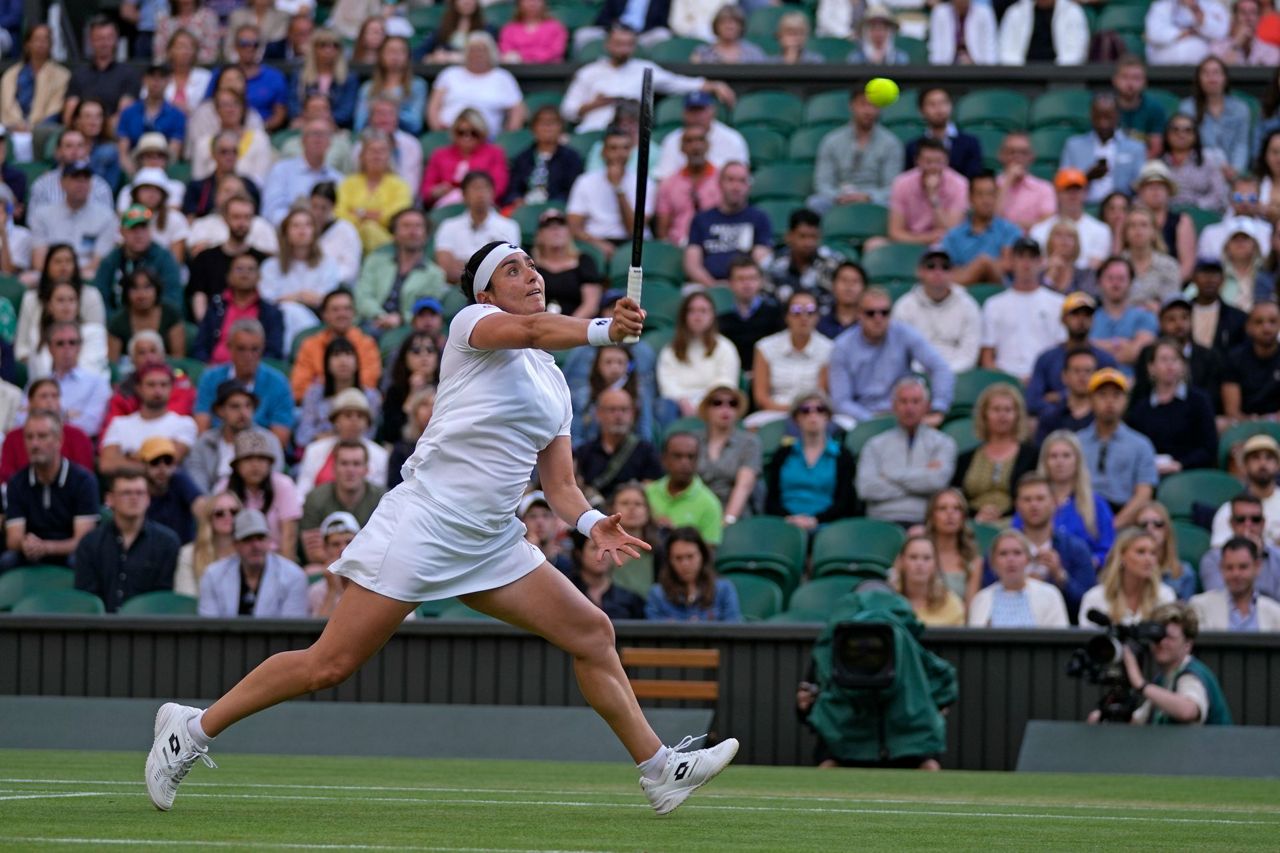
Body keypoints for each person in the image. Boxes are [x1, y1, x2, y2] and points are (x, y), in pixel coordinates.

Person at [146, 239, 737, 816]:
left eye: (532, 264)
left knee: (592, 632)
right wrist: (606, 330)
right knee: (329, 664)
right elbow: (532, 330)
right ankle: (191, 729)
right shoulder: (471, 327)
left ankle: (659, 770)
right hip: (424, 524)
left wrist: (588, 523)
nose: (530, 273)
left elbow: (558, 484)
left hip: (492, 540)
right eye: (513, 268)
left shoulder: (554, 380)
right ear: (485, 291)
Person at [561, 24, 734, 134]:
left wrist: (713, 85)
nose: (624, 49)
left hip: (632, 136)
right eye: (619, 44)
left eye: (628, 44)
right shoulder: (588, 72)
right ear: (608, 44)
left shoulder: (644, 69)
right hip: (594, 132)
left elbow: (677, 83)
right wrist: (595, 104)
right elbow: (567, 111)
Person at [831, 286, 954, 423]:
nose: (878, 318)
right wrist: (871, 419)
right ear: (859, 314)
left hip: (904, 413)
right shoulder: (842, 346)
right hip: (861, 417)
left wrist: (938, 407)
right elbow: (841, 401)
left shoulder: (904, 333)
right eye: (871, 313)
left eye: (884, 312)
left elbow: (940, 367)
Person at [0, 412, 99, 572]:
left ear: (59, 440)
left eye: (42, 436)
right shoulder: (17, 482)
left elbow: (83, 541)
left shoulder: (83, 480)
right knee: (7, 560)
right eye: (29, 437)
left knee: (80, 560)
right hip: (30, 552)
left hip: (68, 552)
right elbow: (13, 538)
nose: (35, 444)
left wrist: (46, 547)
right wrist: (26, 544)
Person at [73, 471, 180, 613]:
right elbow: (86, 599)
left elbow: (164, 599)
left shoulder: (167, 543)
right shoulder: (90, 543)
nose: (134, 498)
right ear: (110, 499)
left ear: (148, 498)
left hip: (150, 629)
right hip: (100, 630)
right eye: (126, 493)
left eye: (140, 493)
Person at [856, 378, 957, 526]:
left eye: (916, 401)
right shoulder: (874, 445)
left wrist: (888, 475)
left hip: (925, 523)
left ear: (927, 406)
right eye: (903, 401)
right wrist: (921, 476)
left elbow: (937, 481)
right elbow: (866, 488)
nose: (909, 408)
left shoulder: (943, 443)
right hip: (881, 521)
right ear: (893, 406)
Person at [762, 391, 858, 531]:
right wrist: (789, 519)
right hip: (785, 525)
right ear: (796, 419)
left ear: (828, 416)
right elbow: (771, 500)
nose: (813, 415)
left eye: (820, 410)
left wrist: (816, 520)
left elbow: (845, 503)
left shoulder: (842, 455)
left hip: (828, 527)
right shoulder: (782, 454)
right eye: (805, 411)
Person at [1005, 473, 1095, 621]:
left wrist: (1061, 577)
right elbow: (988, 595)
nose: (1034, 505)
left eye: (1040, 498)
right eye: (1027, 499)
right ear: (1017, 505)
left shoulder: (1076, 549)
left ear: (1054, 502)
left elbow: (1089, 606)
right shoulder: (1003, 550)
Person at [193, 320, 295, 449]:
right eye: (241, 349)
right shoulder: (210, 378)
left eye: (255, 349)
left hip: (260, 456)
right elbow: (202, 428)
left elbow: (279, 439)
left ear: (263, 348)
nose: (248, 356)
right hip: (217, 451)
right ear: (229, 347)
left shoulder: (279, 383)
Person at [979, 238, 1067, 383]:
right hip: (1004, 381)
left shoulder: (1058, 303)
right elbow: (987, 358)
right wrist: (1010, 380)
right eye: (1021, 257)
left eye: (1032, 258)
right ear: (1012, 262)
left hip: (1046, 381)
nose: (1026, 264)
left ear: (1040, 263)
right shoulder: (994, 304)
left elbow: (1062, 352)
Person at [1124, 339, 1217, 474]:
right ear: (1151, 367)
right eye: (1163, 360)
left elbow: (1209, 448)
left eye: (1174, 360)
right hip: (1151, 475)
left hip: (1192, 475)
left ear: (1183, 366)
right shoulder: (1141, 408)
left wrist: (1180, 464)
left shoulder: (1199, 401)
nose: (1170, 365)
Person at [196, 508, 309, 618]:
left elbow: (291, 631)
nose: (256, 546)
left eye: (260, 538)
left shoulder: (293, 576)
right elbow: (209, 630)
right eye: (247, 539)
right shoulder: (213, 576)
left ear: (269, 540)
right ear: (236, 544)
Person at [951, 384, 1039, 522]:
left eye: (1008, 410)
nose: (1002, 415)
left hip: (1017, 525)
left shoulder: (1032, 456)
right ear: (984, 415)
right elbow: (955, 498)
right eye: (996, 409)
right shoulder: (965, 459)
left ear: (1017, 415)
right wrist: (976, 516)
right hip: (972, 523)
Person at [567, 127, 655, 264]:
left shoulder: (645, 183)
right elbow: (574, 227)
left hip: (634, 244)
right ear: (603, 152)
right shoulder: (585, 182)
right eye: (613, 148)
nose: (620, 153)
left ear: (631, 152)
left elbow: (633, 229)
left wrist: (619, 188)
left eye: (625, 148)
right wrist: (598, 244)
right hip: (595, 242)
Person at [259, 208, 343, 348]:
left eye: (307, 225)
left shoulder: (328, 264)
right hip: (277, 320)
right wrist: (301, 296)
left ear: (314, 231)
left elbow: (326, 300)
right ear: (286, 232)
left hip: (316, 318)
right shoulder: (270, 266)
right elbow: (267, 300)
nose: (302, 230)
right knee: (288, 310)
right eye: (296, 226)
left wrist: (291, 297)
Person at [748, 292, 834, 429]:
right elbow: (761, 397)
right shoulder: (765, 347)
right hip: (774, 411)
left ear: (817, 317)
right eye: (796, 311)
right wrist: (789, 411)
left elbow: (822, 394)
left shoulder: (829, 349)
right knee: (751, 425)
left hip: (812, 413)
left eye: (810, 311)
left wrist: (805, 412)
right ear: (787, 316)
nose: (804, 317)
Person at [809, 89, 903, 212]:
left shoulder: (891, 143)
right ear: (851, 105)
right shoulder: (831, 140)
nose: (868, 111)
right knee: (815, 203)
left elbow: (891, 187)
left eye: (873, 106)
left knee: (895, 206)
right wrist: (838, 196)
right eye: (863, 104)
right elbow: (822, 183)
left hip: (874, 199)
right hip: (839, 197)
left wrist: (868, 197)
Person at [1026, 293, 1119, 417]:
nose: (1081, 320)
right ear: (1063, 319)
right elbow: (1033, 401)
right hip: (1054, 421)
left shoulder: (1106, 360)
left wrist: (1060, 397)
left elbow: (1113, 398)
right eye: (1075, 314)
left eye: (1087, 315)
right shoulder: (1047, 358)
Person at [185, 380, 286, 495]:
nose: (243, 412)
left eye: (248, 406)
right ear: (220, 411)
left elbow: (272, 480)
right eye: (235, 406)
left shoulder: (268, 440)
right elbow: (197, 483)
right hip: (213, 507)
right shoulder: (204, 442)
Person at [889, 250, 982, 373]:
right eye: (931, 266)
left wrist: (944, 372)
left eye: (945, 267)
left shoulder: (968, 305)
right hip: (915, 374)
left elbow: (969, 355)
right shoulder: (905, 305)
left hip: (958, 375)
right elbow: (900, 351)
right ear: (919, 272)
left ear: (952, 273)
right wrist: (926, 372)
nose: (938, 272)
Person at [98, 364, 198, 476]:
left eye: (164, 385)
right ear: (139, 388)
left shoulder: (185, 423)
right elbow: (107, 464)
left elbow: (170, 461)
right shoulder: (119, 424)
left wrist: (129, 457)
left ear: (171, 388)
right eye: (151, 385)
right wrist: (152, 465)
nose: (158, 390)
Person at [299, 440, 386, 567]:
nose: (350, 470)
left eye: (356, 464)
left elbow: (384, 551)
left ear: (366, 470)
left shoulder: (382, 499)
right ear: (334, 468)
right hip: (327, 568)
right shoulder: (315, 498)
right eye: (344, 463)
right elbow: (313, 554)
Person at [683, 162, 771, 287]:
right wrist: (714, 286)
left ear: (749, 186)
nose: (736, 186)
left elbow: (762, 261)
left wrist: (740, 284)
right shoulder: (701, 219)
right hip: (706, 287)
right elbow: (692, 264)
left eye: (742, 181)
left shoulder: (759, 218)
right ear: (720, 183)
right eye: (730, 180)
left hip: (746, 285)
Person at [184, 193, 270, 321]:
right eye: (236, 217)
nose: (242, 223)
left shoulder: (262, 260)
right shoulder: (205, 258)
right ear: (225, 218)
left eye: (247, 217)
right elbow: (198, 297)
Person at [1132, 294, 1224, 412]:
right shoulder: (1148, 353)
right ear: (1160, 323)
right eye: (1171, 319)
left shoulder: (1209, 356)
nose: (1179, 324)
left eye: (1184, 317)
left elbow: (1213, 398)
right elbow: (1141, 392)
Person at [1036, 429, 1115, 566]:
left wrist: (1089, 564)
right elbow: (1018, 539)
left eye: (1066, 456)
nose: (1060, 462)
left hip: (1085, 578)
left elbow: (1109, 549)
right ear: (1045, 462)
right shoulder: (1032, 500)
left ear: (1077, 460)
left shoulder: (1096, 504)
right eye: (1053, 456)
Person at [656, 292, 740, 418]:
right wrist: (682, 401)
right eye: (692, 311)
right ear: (684, 316)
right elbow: (667, 385)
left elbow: (726, 383)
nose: (698, 316)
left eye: (703, 311)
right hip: (679, 407)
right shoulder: (670, 350)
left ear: (712, 316)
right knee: (664, 406)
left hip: (712, 404)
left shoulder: (725, 347)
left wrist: (703, 404)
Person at [191, 254, 285, 365]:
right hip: (214, 369)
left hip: (254, 374)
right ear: (228, 276)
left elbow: (273, 352)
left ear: (259, 277)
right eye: (239, 269)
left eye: (251, 269)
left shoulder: (271, 312)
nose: (245, 273)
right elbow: (200, 346)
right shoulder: (216, 307)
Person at [426, 33, 525, 137]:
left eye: (482, 50)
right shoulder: (449, 74)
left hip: (488, 139)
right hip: (449, 135)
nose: (477, 54)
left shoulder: (503, 77)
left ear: (491, 53)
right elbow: (433, 106)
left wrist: (508, 136)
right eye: (473, 50)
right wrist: (437, 132)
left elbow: (517, 111)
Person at [294, 388, 389, 497]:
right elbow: (302, 491)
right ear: (335, 421)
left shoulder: (381, 455)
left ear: (367, 423)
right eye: (348, 415)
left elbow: (377, 496)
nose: (354, 421)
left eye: (360, 416)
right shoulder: (314, 450)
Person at [290, 290, 380, 403]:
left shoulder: (366, 344)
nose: (342, 314)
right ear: (324, 315)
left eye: (347, 309)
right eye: (335, 309)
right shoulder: (310, 345)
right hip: (319, 403)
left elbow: (368, 383)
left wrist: (321, 382)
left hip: (356, 405)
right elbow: (299, 388)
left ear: (354, 313)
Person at [28, 161, 116, 277]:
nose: (81, 184)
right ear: (62, 183)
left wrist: (71, 275)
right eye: (75, 178)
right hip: (49, 274)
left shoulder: (106, 216)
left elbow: (99, 262)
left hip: (86, 274)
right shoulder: (42, 214)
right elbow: (38, 262)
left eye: (86, 179)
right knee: (28, 278)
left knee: (94, 275)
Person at [575, 387, 663, 503]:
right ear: (598, 414)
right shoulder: (583, 452)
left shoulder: (647, 451)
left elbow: (651, 490)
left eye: (624, 410)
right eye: (612, 410)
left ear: (633, 414)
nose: (618, 415)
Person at [968, 529, 1070, 628]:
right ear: (993, 562)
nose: (1010, 559)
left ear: (1028, 559)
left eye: (1017, 553)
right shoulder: (981, 599)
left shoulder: (1050, 595)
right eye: (1003, 553)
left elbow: (1060, 639)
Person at [91, 207, 183, 315]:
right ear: (122, 231)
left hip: (155, 323)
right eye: (133, 228)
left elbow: (173, 299)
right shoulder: (111, 260)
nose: (139, 234)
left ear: (150, 230)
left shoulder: (164, 259)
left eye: (143, 228)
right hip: (118, 324)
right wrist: (117, 324)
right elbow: (100, 298)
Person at [433, 172, 521, 285]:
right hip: (456, 286)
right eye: (475, 188)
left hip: (494, 288)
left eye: (485, 188)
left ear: (493, 193)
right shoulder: (448, 226)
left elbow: (506, 266)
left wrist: (463, 265)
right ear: (464, 195)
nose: (480, 194)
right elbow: (446, 267)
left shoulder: (509, 226)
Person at [1059, 94, 1146, 206]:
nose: (1103, 123)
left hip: (1122, 210)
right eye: (1098, 117)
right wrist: (1086, 177)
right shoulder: (1073, 146)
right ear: (1091, 116)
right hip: (1083, 207)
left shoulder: (1135, 148)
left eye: (1108, 117)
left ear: (1117, 116)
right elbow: (1063, 185)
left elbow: (1141, 186)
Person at [0, 379, 94, 481]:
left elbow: (84, 476)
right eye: (43, 396)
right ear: (30, 402)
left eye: (55, 396)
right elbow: (7, 476)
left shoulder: (78, 436)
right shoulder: (13, 438)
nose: (50, 401)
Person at [295, 337, 381, 448]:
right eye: (336, 355)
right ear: (327, 363)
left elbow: (369, 435)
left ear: (357, 362)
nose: (343, 360)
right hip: (320, 451)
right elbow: (303, 435)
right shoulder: (314, 394)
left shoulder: (371, 397)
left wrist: (334, 438)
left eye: (348, 354)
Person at [336, 129, 411, 253]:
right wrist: (374, 215)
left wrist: (358, 213)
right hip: (348, 240)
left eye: (382, 151)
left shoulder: (400, 185)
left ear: (389, 156)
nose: (377, 155)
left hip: (388, 240)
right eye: (372, 151)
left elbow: (396, 217)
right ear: (362, 156)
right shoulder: (347, 183)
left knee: (370, 229)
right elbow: (339, 213)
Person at [695, 384, 760, 526]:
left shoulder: (749, 442)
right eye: (717, 403)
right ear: (707, 409)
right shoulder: (693, 441)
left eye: (733, 404)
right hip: (697, 512)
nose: (726, 409)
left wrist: (728, 520)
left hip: (735, 517)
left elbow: (744, 486)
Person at [645, 526, 741, 622]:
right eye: (678, 558)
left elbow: (734, 631)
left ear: (702, 556)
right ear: (670, 561)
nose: (685, 564)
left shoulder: (723, 590)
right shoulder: (657, 595)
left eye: (690, 556)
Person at [645, 431, 725, 546]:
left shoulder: (710, 504)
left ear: (698, 460)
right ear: (664, 460)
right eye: (677, 456)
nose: (685, 462)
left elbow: (708, 555)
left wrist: (676, 535)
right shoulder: (646, 493)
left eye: (691, 457)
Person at [941, 172, 1021, 285]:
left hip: (1000, 291)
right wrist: (979, 268)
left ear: (996, 197)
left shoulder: (1010, 230)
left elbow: (1008, 264)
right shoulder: (954, 235)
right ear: (970, 199)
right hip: (961, 296)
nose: (986, 200)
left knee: (984, 262)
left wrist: (983, 265)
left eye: (990, 194)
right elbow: (948, 270)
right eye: (980, 194)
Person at [260, 119, 344, 227]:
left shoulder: (338, 179)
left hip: (327, 235)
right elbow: (271, 211)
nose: (318, 139)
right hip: (287, 234)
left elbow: (340, 214)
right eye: (314, 134)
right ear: (302, 140)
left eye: (323, 135)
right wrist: (300, 225)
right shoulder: (281, 170)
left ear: (330, 142)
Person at [653, 90, 748, 184]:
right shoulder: (672, 140)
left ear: (712, 111)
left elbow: (741, 180)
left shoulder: (732, 139)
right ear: (684, 114)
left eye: (701, 110)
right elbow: (663, 180)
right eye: (692, 111)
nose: (697, 116)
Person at [1178, 56, 1252, 176]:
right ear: (1199, 79)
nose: (1211, 77)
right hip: (1198, 171)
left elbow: (1241, 144)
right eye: (1206, 73)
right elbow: (1186, 146)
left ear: (1225, 78)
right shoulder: (1187, 108)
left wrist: (1236, 170)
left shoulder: (1240, 109)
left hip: (1232, 172)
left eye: (1216, 72)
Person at [886, 139, 968, 247]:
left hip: (943, 245)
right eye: (928, 162)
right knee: (874, 244)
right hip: (910, 241)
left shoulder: (960, 184)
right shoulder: (901, 183)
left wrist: (933, 197)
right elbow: (895, 232)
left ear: (947, 161)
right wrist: (926, 238)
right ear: (917, 161)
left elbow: (952, 233)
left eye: (939, 162)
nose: (933, 167)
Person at [421, 109, 508, 210]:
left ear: (482, 133)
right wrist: (437, 191)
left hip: (483, 204)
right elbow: (426, 190)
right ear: (454, 133)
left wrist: (477, 193)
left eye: (473, 133)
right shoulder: (440, 154)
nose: (467, 137)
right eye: (461, 132)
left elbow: (499, 187)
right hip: (447, 206)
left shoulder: (494, 153)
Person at [0, 25, 69, 147]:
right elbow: (6, 106)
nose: (41, 44)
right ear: (27, 44)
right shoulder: (10, 75)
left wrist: (32, 128)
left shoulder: (62, 75)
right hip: (12, 128)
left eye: (45, 40)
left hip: (43, 132)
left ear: (51, 44)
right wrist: (17, 125)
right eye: (37, 39)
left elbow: (54, 109)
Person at [1029, 169, 1113, 269]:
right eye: (1067, 189)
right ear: (1057, 193)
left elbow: (1095, 267)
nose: (1073, 194)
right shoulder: (1038, 230)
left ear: (1085, 192)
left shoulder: (1101, 230)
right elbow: (1036, 266)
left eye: (1077, 189)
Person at [1191, 537, 1280, 631]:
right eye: (1229, 568)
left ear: (1257, 567)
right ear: (1221, 568)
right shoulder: (1200, 607)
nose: (1236, 574)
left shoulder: (1275, 613)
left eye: (1243, 567)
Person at [1202, 492, 1280, 598]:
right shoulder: (1213, 559)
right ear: (1232, 523)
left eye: (1255, 519)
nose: (1248, 525)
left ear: (1263, 523)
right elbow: (1220, 600)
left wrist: (1255, 556)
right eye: (1241, 519)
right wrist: (1251, 557)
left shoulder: (1277, 557)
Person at [63, 16, 139, 124]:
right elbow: (69, 114)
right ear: (90, 41)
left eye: (109, 38)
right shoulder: (79, 75)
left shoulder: (128, 74)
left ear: (116, 39)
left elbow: (124, 114)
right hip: (81, 132)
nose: (104, 43)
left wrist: (98, 127)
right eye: (99, 38)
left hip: (113, 133)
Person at [1090, 257, 1158, 377]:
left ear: (1131, 282)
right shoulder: (1089, 318)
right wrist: (1121, 344)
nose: (1115, 284)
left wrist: (1098, 345)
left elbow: (1139, 354)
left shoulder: (1146, 316)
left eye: (1121, 279)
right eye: (1110, 278)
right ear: (1099, 281)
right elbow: (1084, 354)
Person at [504, 106, 583, 207]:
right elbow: (513, 189)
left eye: (553, 122)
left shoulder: (571, 158)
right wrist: (517, 199)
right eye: (542, 123)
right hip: (526, 206)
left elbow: (574, 190)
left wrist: (551, 204)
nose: (547, 127)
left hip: (558, 209)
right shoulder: (523, 158)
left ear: (561, 128)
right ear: (533, 129)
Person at [1133, 161, 1197, 283]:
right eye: (1150, 186)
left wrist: (1167, 291)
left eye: (1160, 186)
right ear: (1141, 192)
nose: (1155, 190)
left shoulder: (1182, 221)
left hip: (1172, 286)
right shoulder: (1131, 220)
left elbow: (1187, 266)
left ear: (1169, 191)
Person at [765, 209, 843, 306]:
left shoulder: (834, 263)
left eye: (814, 237)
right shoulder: (773, 264)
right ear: (789, 236)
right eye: (802, 236)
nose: (809, 243)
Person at [1212, 437, 1280, 546]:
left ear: (1278, 465)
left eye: (1269, 457)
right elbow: (1218, 555)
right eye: (1255, 458)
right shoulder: (1228, 511)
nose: (1263, 463)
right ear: (1245, 466)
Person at [173, 490, 242, 597]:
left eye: (234, 512)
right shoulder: (188, 554)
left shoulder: (249, 553)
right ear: (209, 519)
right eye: (219, 513)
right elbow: (186, 600)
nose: (228, 516)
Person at [716, 258, 782, 368]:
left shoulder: (777, 315)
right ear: (730, 283)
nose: (747, 284)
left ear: (761, 281)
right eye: (740, 279)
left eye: (752, 278)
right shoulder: (720, 321)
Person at [1221, 301, 1280, 425]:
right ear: (1248, 327)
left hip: (1277, 423)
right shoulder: (1234, 358)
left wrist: (1269, 420)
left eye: (1272, 321)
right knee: (1220, 424)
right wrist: (1252, 422)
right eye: (1259, 322)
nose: (1266, 328)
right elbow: (1231, 410)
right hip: (1243, 424)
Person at [904, 88, 984, 180]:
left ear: (952, 106)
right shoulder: (913, 147)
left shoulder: (970, 143)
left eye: (943, 103)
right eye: (932, 104)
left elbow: (975, 180)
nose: (939, 109)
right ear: (921, 111)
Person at [139, 436, 202, 546]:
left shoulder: (179, 480)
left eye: (168, 461)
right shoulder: (137, 489)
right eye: (155, 462)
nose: (162, 468)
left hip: (182, 552)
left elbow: (202, 509)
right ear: (143, 465)